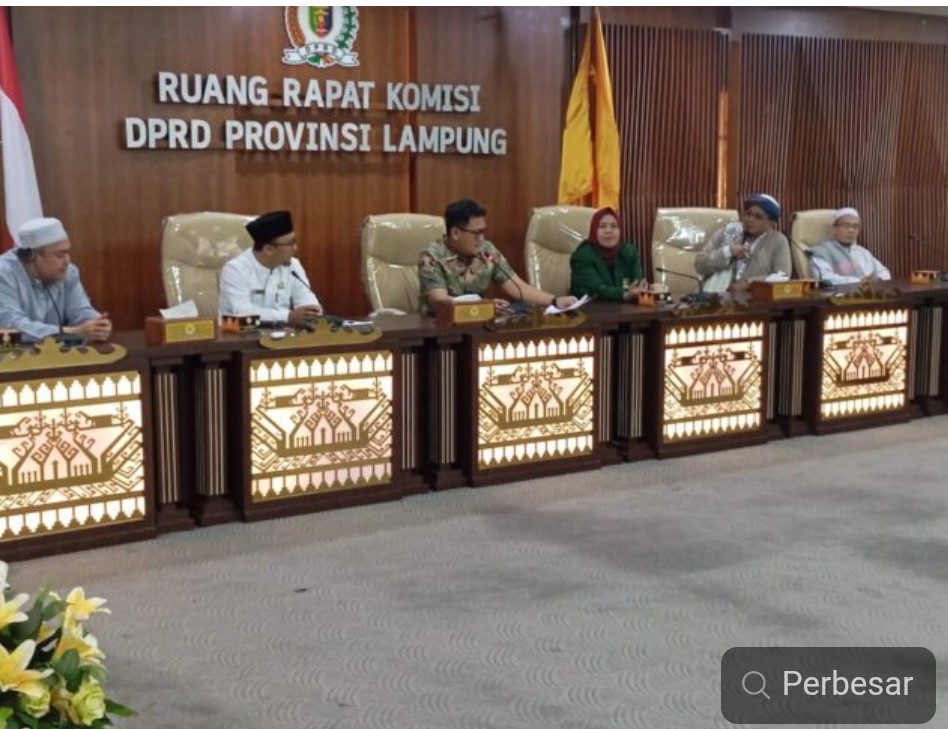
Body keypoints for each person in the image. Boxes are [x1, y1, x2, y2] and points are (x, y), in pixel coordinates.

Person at [419, 199, 578, 313]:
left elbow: (518, 287)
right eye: (477, 233)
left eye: (483, 232)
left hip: (477, 325)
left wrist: (554, 301)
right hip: (440, 331)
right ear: (455, 233)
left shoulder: (487, 251)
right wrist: (484, 306)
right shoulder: (432, 257)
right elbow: (441, 302)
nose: (481, 239)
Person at [0, 217, 111, 342]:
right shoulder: (3, 274)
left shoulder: (69, 272)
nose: (67, 260)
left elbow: (79, 310)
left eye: (67, 252)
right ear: (32, 255)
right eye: (60, 254)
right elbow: (11, 327)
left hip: (58, 353)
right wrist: (72, 332)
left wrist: (96, 324)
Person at [219, 210, 323, 327]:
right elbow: (242, 312)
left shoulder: (293, 265)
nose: (295, 248)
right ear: (269, 250)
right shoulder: (235, 270)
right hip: (242, 334)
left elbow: (306, 299)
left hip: (282, 334)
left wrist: (311, 313)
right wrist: (287, 316)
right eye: (290, 244)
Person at [694, 193, 792, 292]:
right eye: (748, 214)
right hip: (712, 296)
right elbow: (699, 265)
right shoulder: (729, 232)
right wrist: (728, 252)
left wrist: (749, 283)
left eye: (758, 217)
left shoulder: (778, 240)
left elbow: (782, 276)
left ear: (771, 223)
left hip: (755, 298)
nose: (750, 219)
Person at [569, 207, 647, 302]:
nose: (609, 231)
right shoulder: (583, 255)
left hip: (625, 308)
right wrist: (625, 293)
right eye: (602, 226)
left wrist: (646, 289)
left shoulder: (629, 252)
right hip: (591, 307)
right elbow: (597, 289)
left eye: (614, 226)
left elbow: (637, 284)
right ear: (594, 230)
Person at [808, 207, 891, 285]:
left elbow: (884, 272)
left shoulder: (862, 252)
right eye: (846, 226)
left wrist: (878, 279)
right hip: (838, 294)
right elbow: (824, 278)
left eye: (855, 226)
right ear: (835, 229)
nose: (851, 230)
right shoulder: (821, 252)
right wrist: (859, 282)